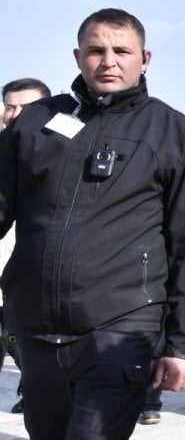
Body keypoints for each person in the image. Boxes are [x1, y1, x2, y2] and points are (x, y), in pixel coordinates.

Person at [0, 8, 185, 439]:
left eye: (122, 50)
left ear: (145, 58)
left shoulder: (172, 131)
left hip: (120, 331)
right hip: (36, 331)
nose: (109, 60)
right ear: (78, 56)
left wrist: (183, 343)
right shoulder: (36, 123)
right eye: (97, 50)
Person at [0, 77, 49, 414]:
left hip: (32, 285)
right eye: (9, 106)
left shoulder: (62, 155)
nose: (15, 114)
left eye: (26, 108)